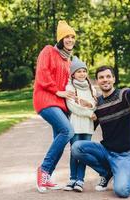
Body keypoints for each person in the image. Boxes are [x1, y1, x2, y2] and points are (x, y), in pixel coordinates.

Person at [71, 66, 130, 198]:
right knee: (77, 147)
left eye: (108, 76)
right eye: (101, 77)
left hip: (125, 154)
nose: (105, 80)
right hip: (106, 151)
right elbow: (89, 126)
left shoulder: (123, 96)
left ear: (114, 79)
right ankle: (108, 172)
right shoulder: (98, 104)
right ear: (97, 81)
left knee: (122, 191)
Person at [33, 20, 76, 193]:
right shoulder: (48, 51)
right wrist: (58, 91)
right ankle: (43, 169)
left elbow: (68, 84)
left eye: (73, 36)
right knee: (68, 131)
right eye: (67, 36)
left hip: (60, 104)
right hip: (46, 99)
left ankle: (47, 176)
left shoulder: (67, 60)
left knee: (61, 137)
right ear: (60, 38)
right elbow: (42, 74)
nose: (70, 39)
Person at [63, 56, 97, 192]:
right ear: (73, 74)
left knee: (83, 153)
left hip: (87, 127)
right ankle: (72, 178)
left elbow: (94, 105)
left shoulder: (91, 88)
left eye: (84, 71)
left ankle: (80, 180)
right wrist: (89, 112)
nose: (82, 74)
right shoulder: (69, 87)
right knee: (74, 152)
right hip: (75, 125)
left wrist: (88, 104)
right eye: (79, 71)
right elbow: (73, 107)